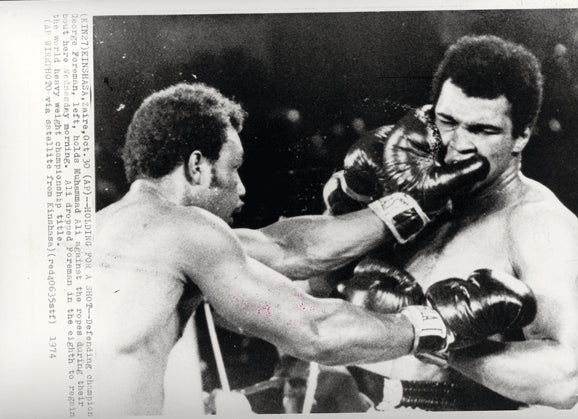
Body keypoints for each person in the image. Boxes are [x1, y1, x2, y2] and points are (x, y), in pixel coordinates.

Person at [93, 81, 527, 415]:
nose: (241, 188)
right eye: (235, 169)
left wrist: (409, 203)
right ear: (196, 167)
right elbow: (316, 333)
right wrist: (439, 322)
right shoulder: (189, 231)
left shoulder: (115, 229)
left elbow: (285, 249)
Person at [339, 34, 578, 411]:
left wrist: (433, 338)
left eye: (482, 130)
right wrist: (344, 205)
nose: (457, 145)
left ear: (521, 135)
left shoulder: (540, 225)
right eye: (447, 121)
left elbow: (564, 379)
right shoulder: (413, 193)